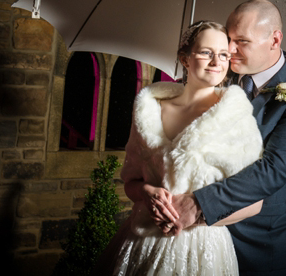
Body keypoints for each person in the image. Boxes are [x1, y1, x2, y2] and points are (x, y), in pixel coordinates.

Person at [166, 0, 286, 275]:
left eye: (241, 41)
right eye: (228, 38)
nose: (229, 50)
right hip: (198, 240)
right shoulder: (219, 75)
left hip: (257, 243)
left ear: (274, 40)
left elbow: (273, 171)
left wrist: (198, 204)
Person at [95, 21, 264, 275]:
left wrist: (197, 214)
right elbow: (131, 183)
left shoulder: (236, 118)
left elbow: (254, 202)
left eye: (224, 54)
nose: (216, 61)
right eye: (206, 52)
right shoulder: (149, 110)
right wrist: (146, 191)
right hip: (142, 243)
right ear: (184, 58)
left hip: (203, 249)